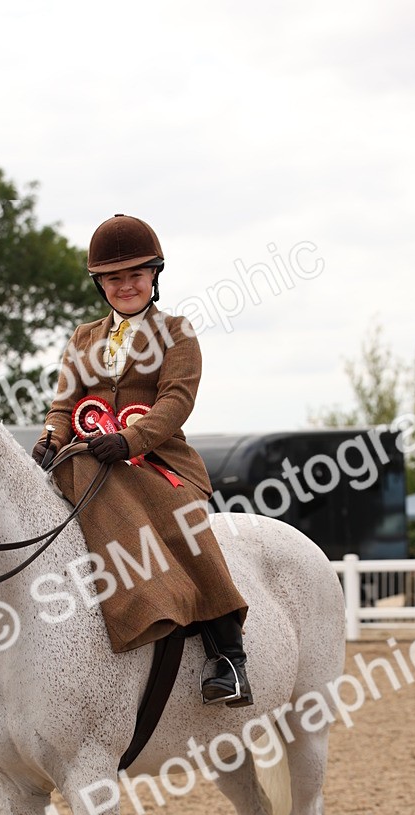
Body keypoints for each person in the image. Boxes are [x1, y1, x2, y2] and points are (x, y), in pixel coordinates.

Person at [32, 214, 253, 706]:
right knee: (65, 476)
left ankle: (229, 656)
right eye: (114, 277)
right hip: (93, 457)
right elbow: (64, 404)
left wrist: (131, 441)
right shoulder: (83, 338)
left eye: (135, 274)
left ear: (154, 276)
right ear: (100, 284)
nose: (126, 285)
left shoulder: (176, 332)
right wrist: (51, 437)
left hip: (159, 463)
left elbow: (176, 400)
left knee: (180, 525)